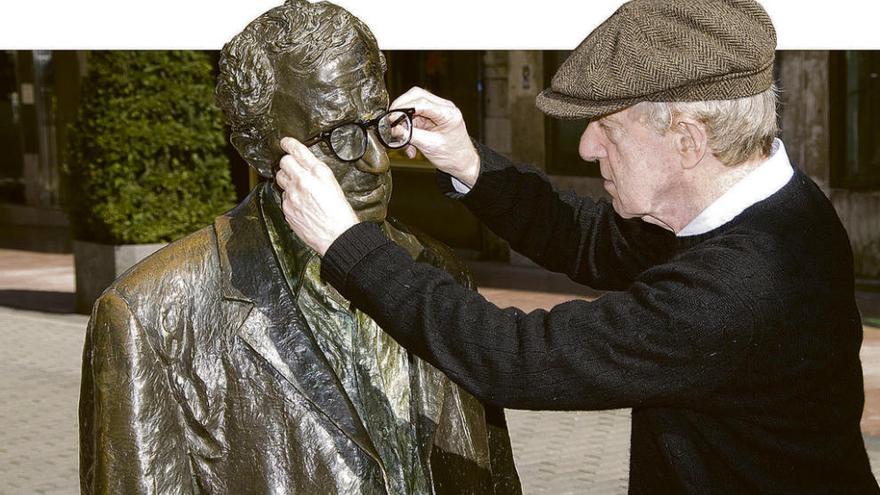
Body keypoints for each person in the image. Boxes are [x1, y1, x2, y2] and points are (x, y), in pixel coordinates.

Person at [274, 0, 880, 492]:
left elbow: (515, 359)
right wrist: (468, 162)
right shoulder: (769, 204)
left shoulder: (737, 288)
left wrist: (345, 244)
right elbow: (590, 240)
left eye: (608, 128)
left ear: (689, 142)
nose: (588, 147)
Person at [78, 1, 521, 493]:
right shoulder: (150, 316)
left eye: (380, 122)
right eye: (336, 136)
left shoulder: (437, 268)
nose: (377, 161)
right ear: (258, 148)